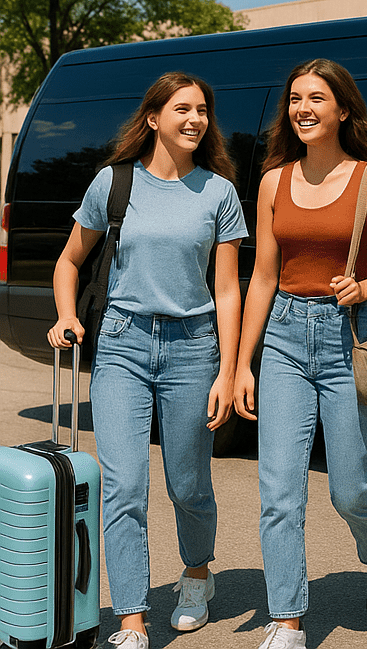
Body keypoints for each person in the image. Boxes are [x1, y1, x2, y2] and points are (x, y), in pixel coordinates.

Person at [49, 73, 247, 649]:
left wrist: (229, 370)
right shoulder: (112, 185)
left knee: (189, 485)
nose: (195, 119)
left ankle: (196, 573)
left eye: (203, 110)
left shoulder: (219, 193)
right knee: (124, 486)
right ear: (154, 118)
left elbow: (228, 290)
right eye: (182, 109)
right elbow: (69, 261)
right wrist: (66, 315)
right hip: (122, 345)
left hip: (193, 348)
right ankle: (131, 619)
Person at [234, 59, 367, 649]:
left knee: (351, 487)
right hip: (285, 334)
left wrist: (365, 288)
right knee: (280, 491)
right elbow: (261, 276)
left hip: (350, 333)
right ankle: (285, 619)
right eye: (294, 99)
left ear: (342, 110)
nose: (303, 108)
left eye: (316, 98)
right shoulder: (272, 182)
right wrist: (241, 362)